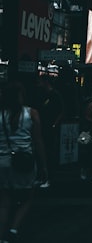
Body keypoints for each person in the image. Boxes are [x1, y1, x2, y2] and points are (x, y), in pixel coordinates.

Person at [0, 81, 46, 243]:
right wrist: (43, 166)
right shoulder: (31, 113)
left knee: (4, 202)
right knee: (27, 197)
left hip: (2, 161)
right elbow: (38, 141)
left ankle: (2, 236)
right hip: (24, 160)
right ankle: (13, 229)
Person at [31, 77, 62, 189]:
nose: (38, 85)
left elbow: (61, 111)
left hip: (50, 128)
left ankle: (48, 178)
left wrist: (54, 124)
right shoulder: (41, 95)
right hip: (41, 127)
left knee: (49, 152)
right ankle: (41, 177)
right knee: (40, 153)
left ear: (45, 82)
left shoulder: (55, 95)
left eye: (40, 82)